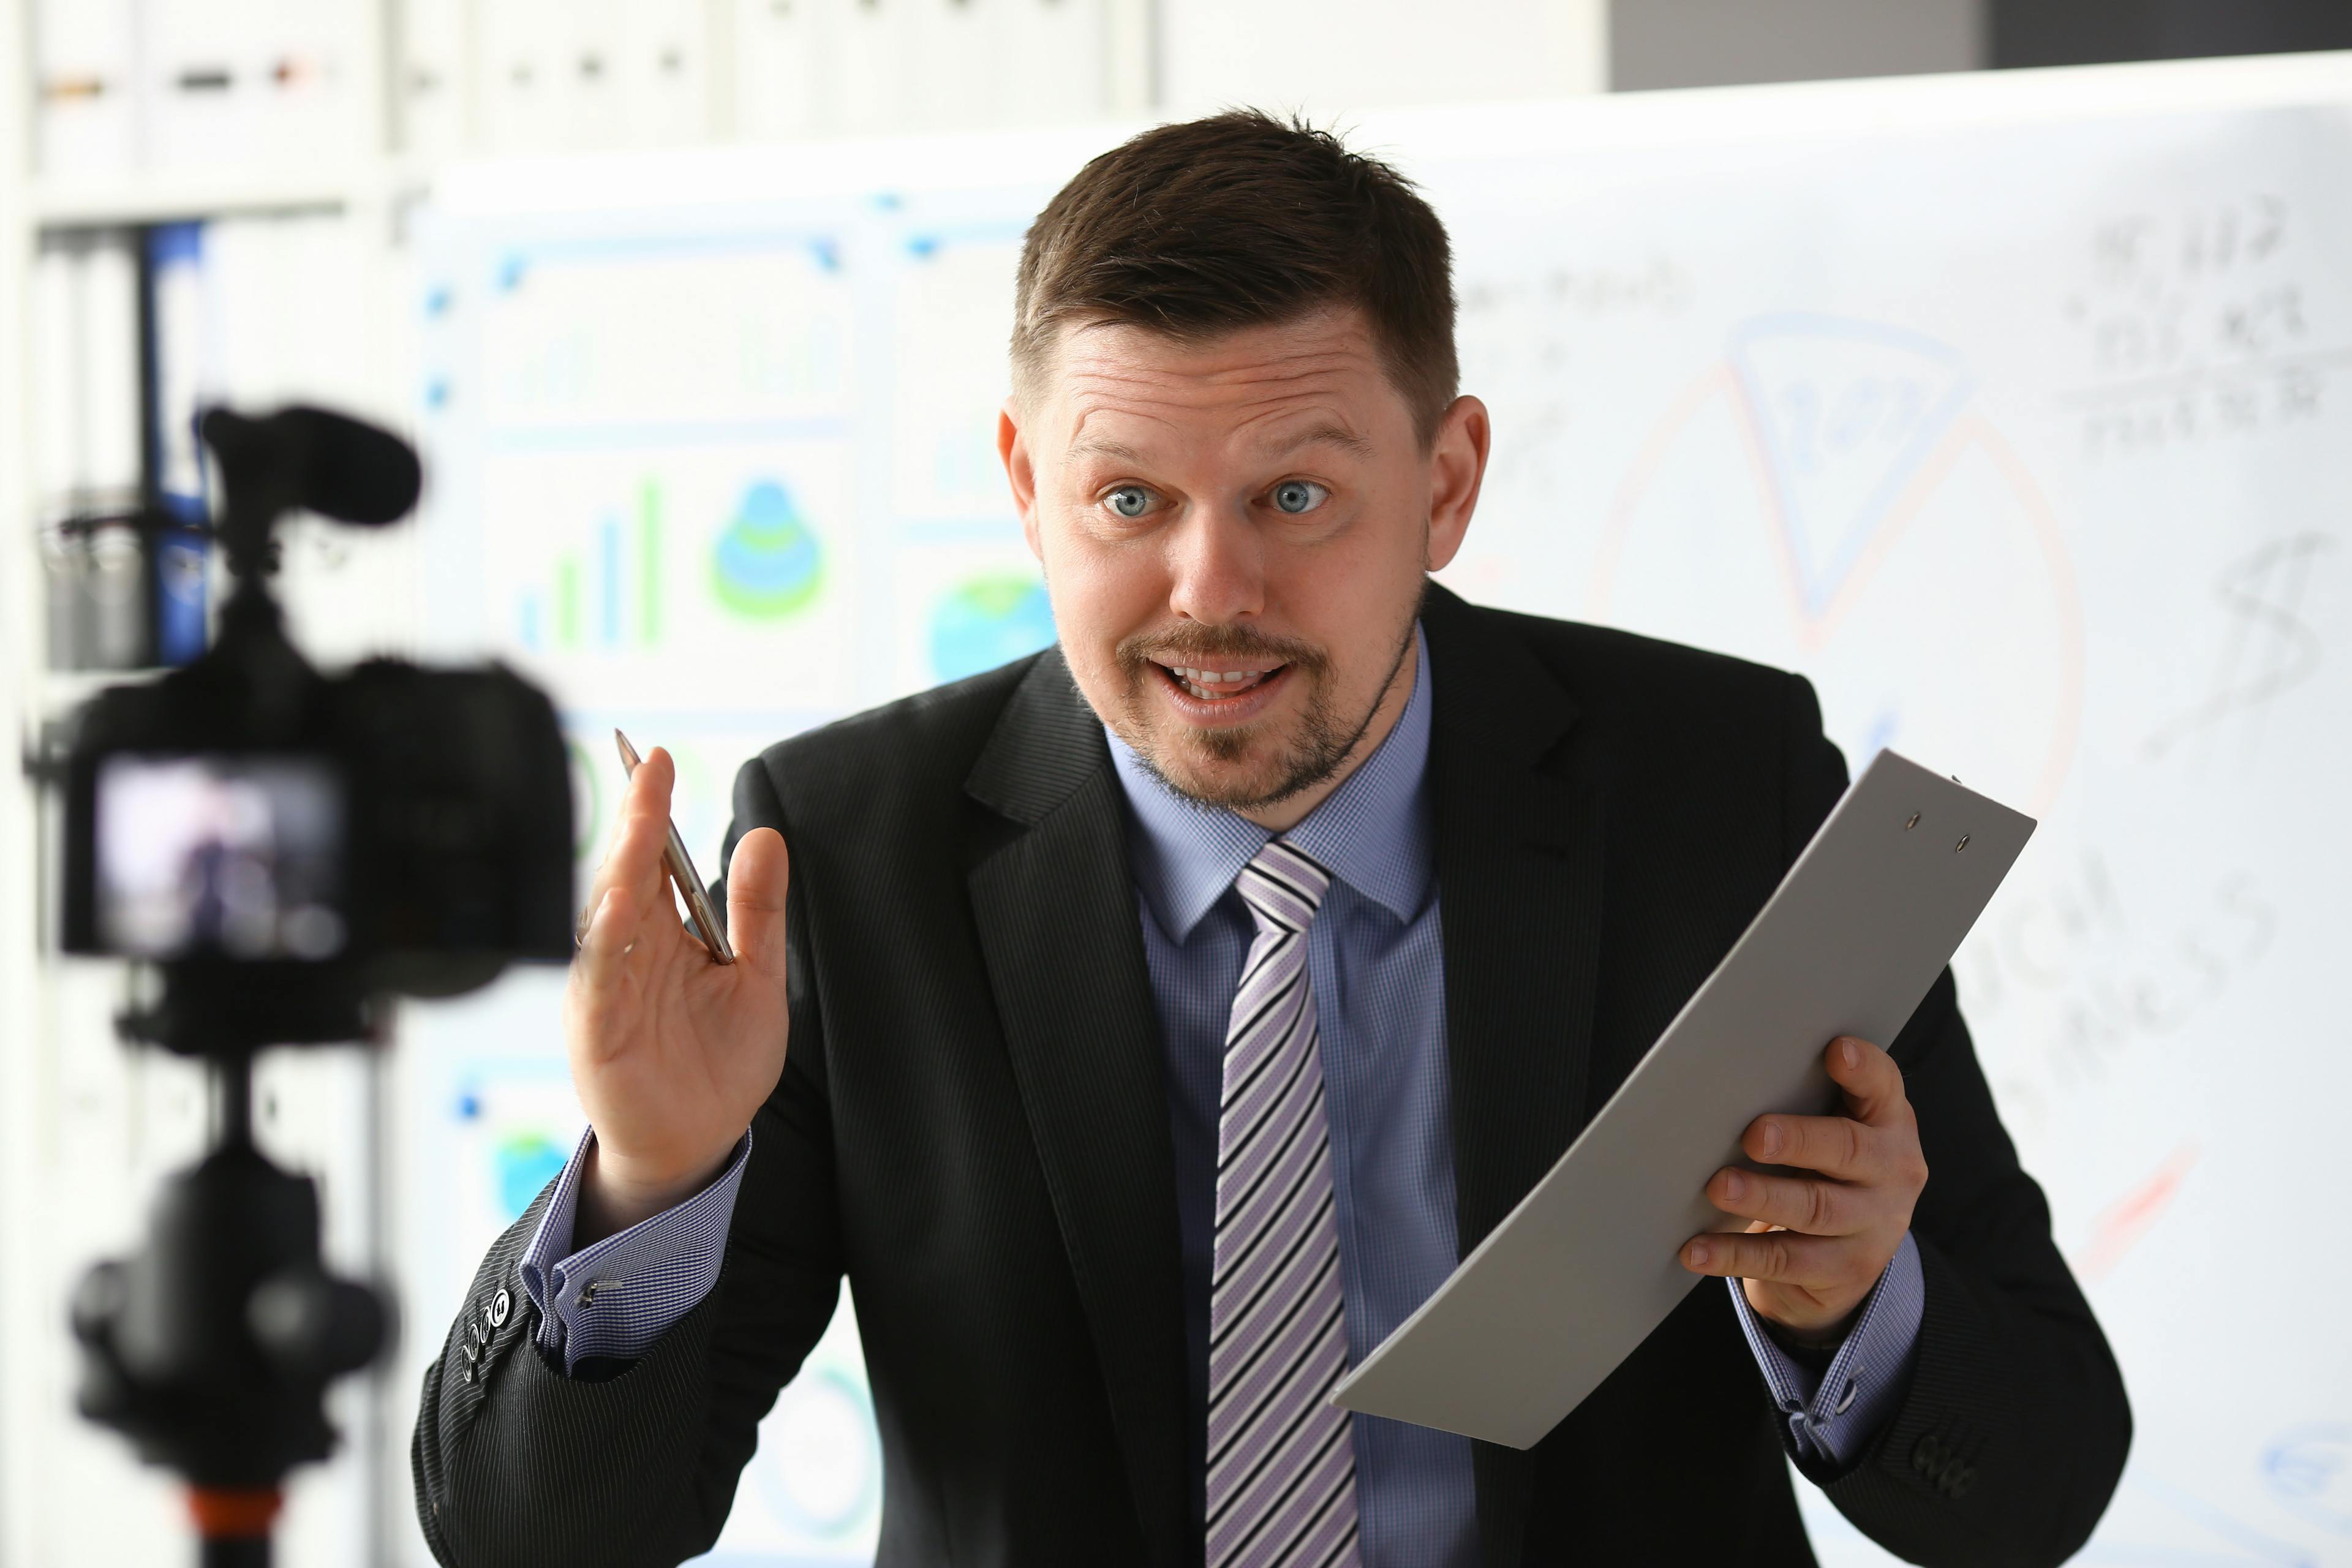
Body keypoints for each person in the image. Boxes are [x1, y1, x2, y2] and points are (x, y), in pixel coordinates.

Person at [412, 111, 2128, 1568]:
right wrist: (649, 1181)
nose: (1209, 593)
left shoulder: (1717, 789)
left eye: (1296, 497)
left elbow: (2040, 1483)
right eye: (1129, 500)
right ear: (1028, 485)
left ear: (1445, 483)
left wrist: (1856, 1306)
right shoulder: (845, 853)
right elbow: (543, 1542)